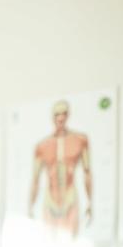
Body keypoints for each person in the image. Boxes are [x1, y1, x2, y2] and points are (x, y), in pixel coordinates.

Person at [28, 101, 92, 237]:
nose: (61, 118)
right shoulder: (42, 146)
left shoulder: (80, 140)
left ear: (68, 115)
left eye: (64, 113)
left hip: (70, 199)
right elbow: (35, 180)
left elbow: (87, 172)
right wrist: (30, 207)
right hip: (50, 202)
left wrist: (90, 202)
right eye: (57, 114)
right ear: (53, 117)